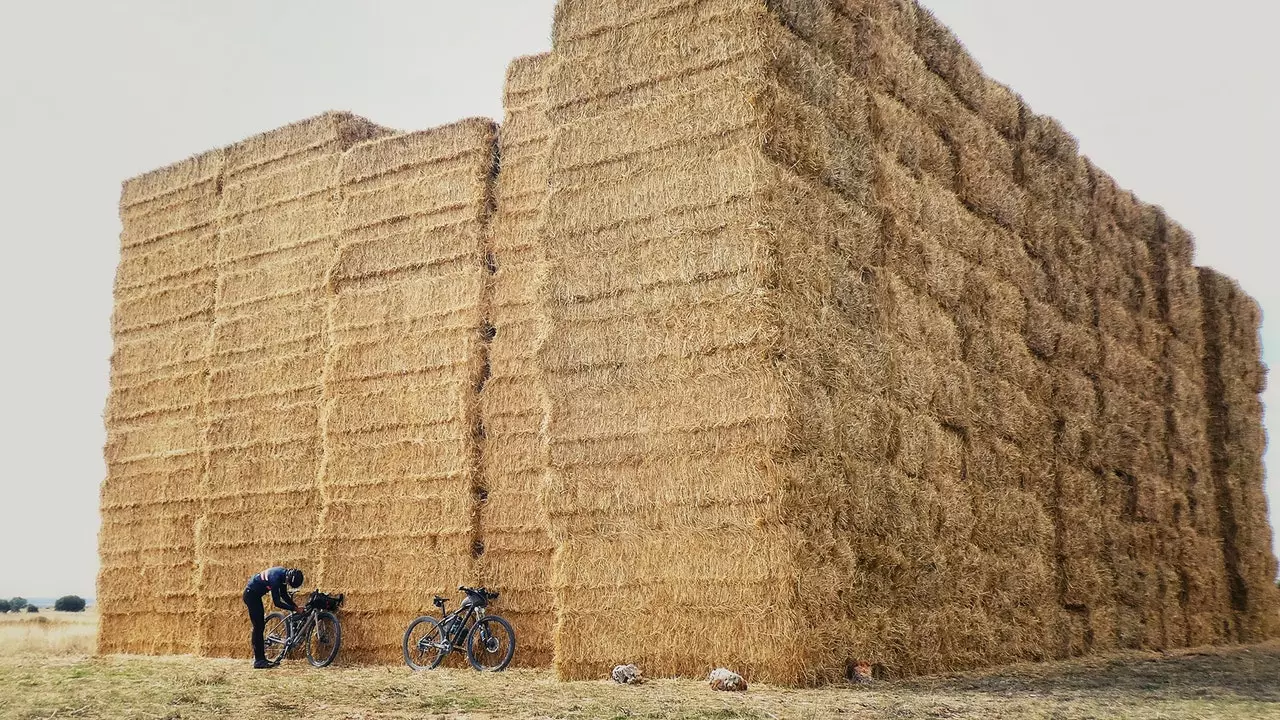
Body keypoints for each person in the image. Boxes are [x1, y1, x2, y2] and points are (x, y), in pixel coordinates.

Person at [244, 566, 304, 669]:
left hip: (256, 595)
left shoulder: (283, 575)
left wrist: (295, 607)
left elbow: (284, 595)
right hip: (251, 595)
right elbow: (277, 602)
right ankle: (259, 661)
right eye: (288, 583)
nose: (287, 584)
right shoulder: (275, 578)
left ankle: (261, 659)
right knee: (258, 627)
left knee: (260, 626)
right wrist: (295, 609)